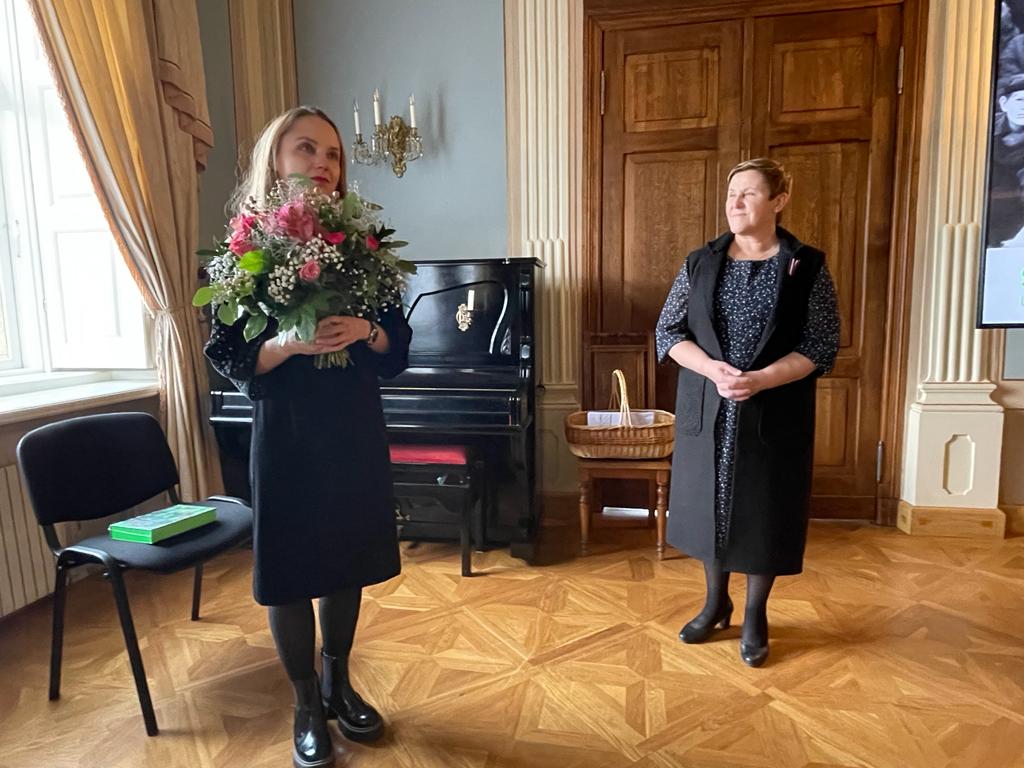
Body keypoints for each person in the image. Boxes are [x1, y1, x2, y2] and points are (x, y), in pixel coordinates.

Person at [205, 106, 412, 768]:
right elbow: (229, 353)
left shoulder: (364, 246)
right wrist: (286, 345)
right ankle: (304, 704)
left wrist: (367, 331)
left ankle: (337, 683)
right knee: (291, 571)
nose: (323, 163)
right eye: (306, 149)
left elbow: (398, 346)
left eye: (333, 154)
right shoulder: (245, 249)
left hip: (352, 427)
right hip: (288, 433)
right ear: (276, 159)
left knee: (346, 560)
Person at [655, 158, 839, 668]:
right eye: (731, 193)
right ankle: (715, 603)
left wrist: (760, 379)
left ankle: (756, 613)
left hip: (773, 406)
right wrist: (712, 370)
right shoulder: (701, 262)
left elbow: (820, 345)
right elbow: (668, 332)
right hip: (709, 403)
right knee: (707, 507)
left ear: (779, 201)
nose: (735, 203)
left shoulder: (806, 267)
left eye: (749, 193)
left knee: (766, 510)